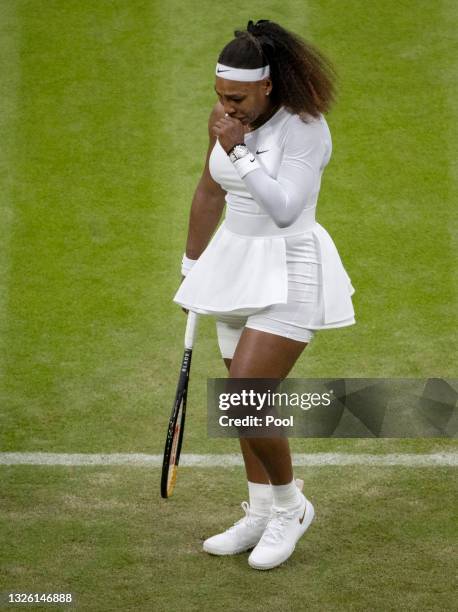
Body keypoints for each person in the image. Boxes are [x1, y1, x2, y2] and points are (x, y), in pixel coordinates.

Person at [173, 19, 355, 570]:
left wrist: (241, 151)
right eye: (220, 96)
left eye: (237, 97)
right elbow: (208, 190)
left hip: (291, 265)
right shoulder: (228, 119)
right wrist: (190, 268)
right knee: (244, 406)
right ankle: (259, 509)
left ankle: (291, 507)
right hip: (234, 264)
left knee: (246, 392)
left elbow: (283, 208)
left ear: (268, 85)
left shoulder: (306, 129)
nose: (226, 107)